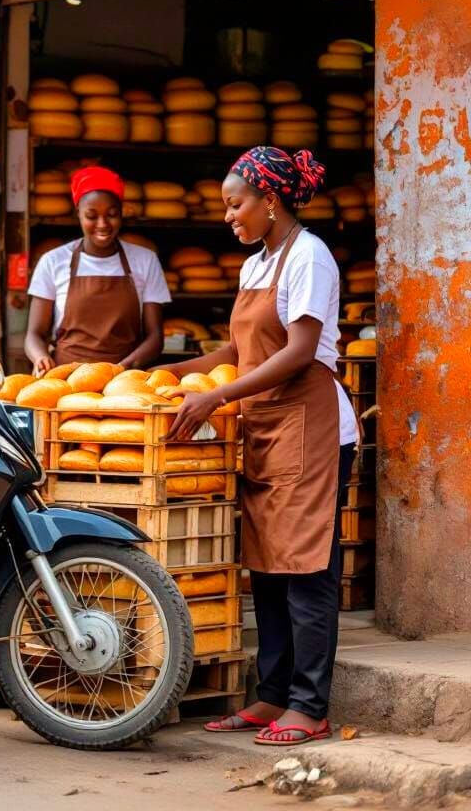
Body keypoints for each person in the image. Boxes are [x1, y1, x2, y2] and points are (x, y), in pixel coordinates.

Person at [158, 146, 359, 746]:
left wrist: (215, 400)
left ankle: (309, 704)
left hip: (314, 428)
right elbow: (237, 355)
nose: (228, 216)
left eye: (235, 203)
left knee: (307, 571)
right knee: (267, 570)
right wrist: (165, 373)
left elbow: (297, 352)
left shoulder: (310, 257)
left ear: (270, 200)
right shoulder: (256, 266)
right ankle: (272, 695)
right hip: (267, 427)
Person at [25, 166, 170, 374]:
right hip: (67, 378)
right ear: (78, 214)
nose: (102, 224)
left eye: (111, 214)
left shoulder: (145, 260)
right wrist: (40, 356)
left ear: (122, 212)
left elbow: (155, 338)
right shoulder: (53, 261)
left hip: (124, 381)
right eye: (91, 216)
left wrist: (121, 369)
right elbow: (34, 334)